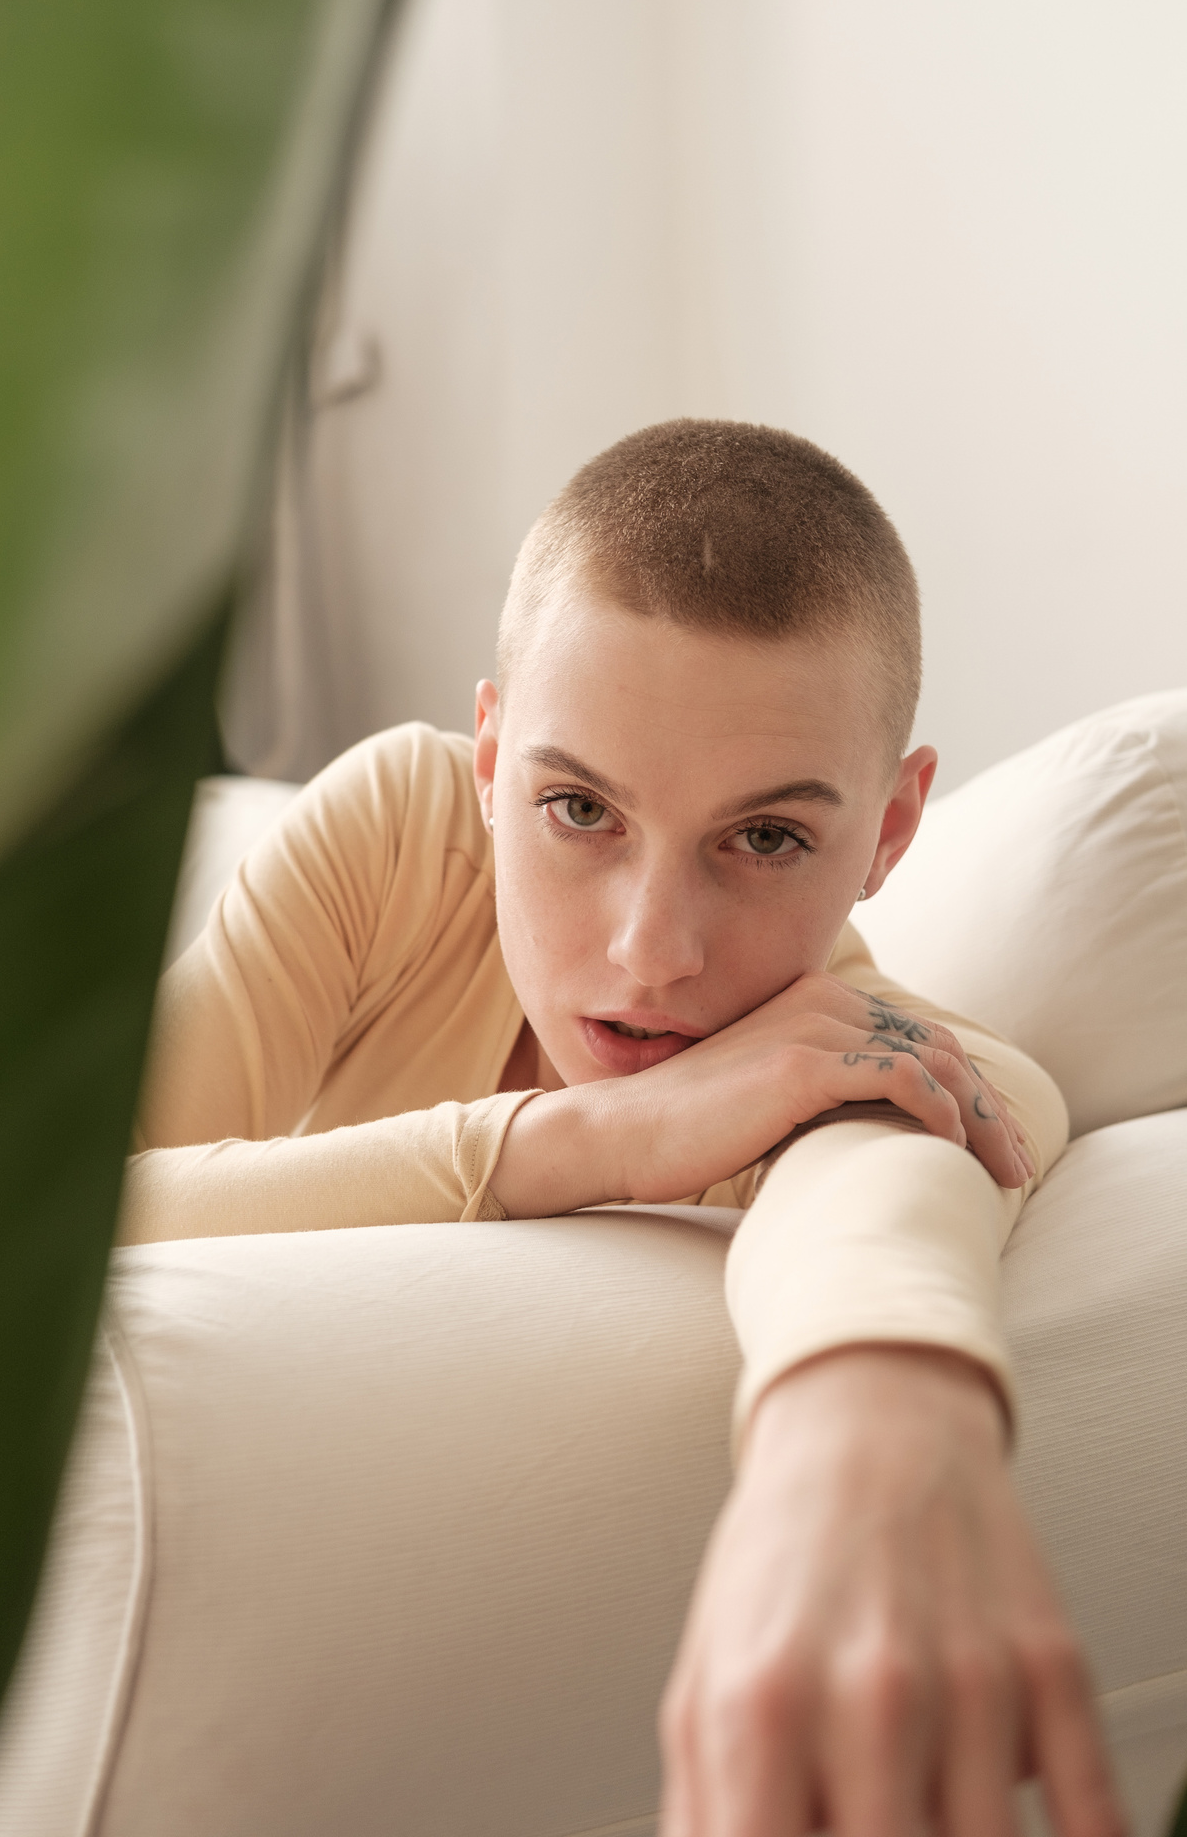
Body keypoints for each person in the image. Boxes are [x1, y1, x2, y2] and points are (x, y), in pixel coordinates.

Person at [122, 420, 1125, 1837]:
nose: (649, 953)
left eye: (764, 837)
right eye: (576, 808)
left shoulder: (887, 1060)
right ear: (487, 758)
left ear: (891, 830)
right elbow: (60, 1228)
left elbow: (897, 1192)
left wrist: (875, 1412)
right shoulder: (401, 832)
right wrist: (576, 1142)